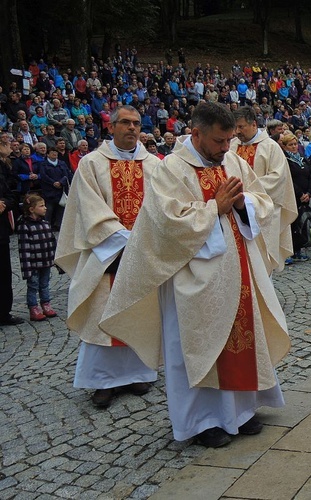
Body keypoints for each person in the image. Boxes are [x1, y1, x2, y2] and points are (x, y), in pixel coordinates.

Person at [99, 102, 291, 448]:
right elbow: (165, 224)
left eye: (230, 140)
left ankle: (242, 411)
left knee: (242, 337)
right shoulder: (170, 170)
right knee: (197, 344)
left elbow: (261, 200)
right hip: (193, 276)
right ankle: (203, 422)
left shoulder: (231, 161)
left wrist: (241, 202)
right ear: (196, 133)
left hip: (239, 268)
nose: (226, 148)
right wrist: (213, 208)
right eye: (219, 141)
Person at [55, 105, 159, 409]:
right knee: (102, 313)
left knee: (140, 311)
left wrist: (143, 240)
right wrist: (124, 238)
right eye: (124, 122)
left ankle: (139, 373)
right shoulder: (91, 164)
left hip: (142, 252)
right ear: (110, 127)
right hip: (106, 252)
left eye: (136, 123)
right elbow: (88, 208)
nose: (131, 128)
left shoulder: (154, 165)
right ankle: (102, 381)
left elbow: (161, 207)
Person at [230, 107, 297, 274]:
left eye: (241, 126)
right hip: (234, 210)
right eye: (235, 127)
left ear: (253, 124)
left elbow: (277, 179)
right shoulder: (231, 146)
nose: (237, 131)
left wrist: (243, 190)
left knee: (263, 261)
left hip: (263, 211)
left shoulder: (270, 147)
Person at [17, 194, 57, 321]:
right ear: (31, 209)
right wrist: (26, 268)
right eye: (41, 206)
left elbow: (52, 242)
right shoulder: (25, 226)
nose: (45, 208)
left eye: (45, 205)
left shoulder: (46, 224)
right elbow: (24, 249)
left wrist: (55, 259)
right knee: (33, 285)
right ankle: (33, 307)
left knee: (44, 284)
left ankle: (46, 304)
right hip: (34, 263)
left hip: (46, 262)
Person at [279, 133, 311, 263]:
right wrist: (300, 194)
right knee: (291, 223)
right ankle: (288, 252)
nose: (294, 147)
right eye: (291, 145)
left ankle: (299, 250)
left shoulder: (302, 158)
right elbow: (287, 178)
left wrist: (309, 193)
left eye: (295, 144)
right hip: (293, 196)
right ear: (284, 146)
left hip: (305, 196)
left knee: (302, 223)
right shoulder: (284, 160)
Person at [0, 133, 23, 326]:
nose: (10, 146)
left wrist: (4, 203)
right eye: (6, 143)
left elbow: (12, 194)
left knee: (3, 272)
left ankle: (3, 312)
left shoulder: (5, 166)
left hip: (1, 230)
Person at [37, 148, 72, 231]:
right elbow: (44, 176)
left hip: (61, 190)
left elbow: (67, 174)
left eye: (56, 152)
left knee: (61, 209)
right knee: (49, 209)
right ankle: (46, 226)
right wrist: (53, 183)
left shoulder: (62, 163)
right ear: (48, 154)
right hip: (49, 190)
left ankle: (59, 225)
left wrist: (61, 182)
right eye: (52, 152)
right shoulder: (43, 164)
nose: (54, 154)